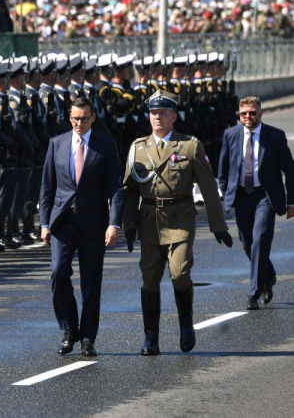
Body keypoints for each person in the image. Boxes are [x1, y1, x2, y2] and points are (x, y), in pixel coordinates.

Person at [123, 90, 233, 356]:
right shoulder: (138, 148)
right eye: (153, 113)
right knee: (149, 280)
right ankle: (151, 336)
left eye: (162, 113)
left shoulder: (189, 146)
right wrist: (128, 225)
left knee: (180, 273)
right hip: (150, 221)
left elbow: (208, 187)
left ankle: (186, 324)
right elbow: (128, 190)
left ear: (174, 116)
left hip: (180, 220)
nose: (157, 117)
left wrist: (218, 224)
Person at [39, 97, 123, 357]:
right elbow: (47, 187)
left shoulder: (105, 145)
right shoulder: (57, 144)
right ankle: (68, 329)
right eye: (75, 118)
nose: (79, 123)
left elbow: (116, 190)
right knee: (58, 272)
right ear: (69, 117)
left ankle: (87, 337)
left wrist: (113, 224)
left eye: (84, 118)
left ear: (93, 118)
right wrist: (44, 223)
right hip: (63, 222)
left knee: (90, 282)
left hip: (94, 223)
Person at [218, 96, 294, 310]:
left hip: (265, 196)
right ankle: (268, 276)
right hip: (242, 195)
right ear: (239, 115)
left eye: (252, 112)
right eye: (244, 113)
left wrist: (291, 202)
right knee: (247, 243)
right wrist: (226, 193)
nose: (248, 117)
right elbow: (223, 167)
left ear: (260, 113)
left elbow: (290, 170)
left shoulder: (275, 136)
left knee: (260, 240)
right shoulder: (230, 134)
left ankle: (254, 292)